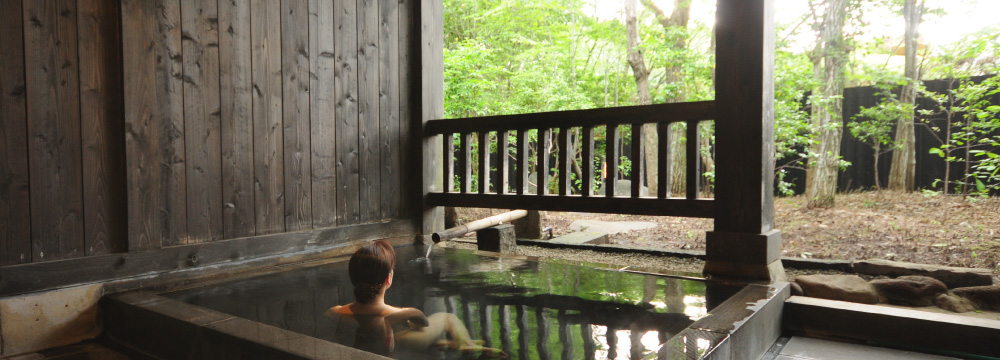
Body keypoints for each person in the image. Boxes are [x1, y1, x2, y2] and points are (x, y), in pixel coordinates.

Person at [325, 240, 504, 358]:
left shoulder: (336, 311)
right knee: (446, 317)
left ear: (352, 278)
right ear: (389, 278)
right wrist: (408, 320)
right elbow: (424, 324)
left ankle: (446, 343)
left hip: (374, 344)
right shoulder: (403, 313)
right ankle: (466, 343)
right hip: (406, 342)